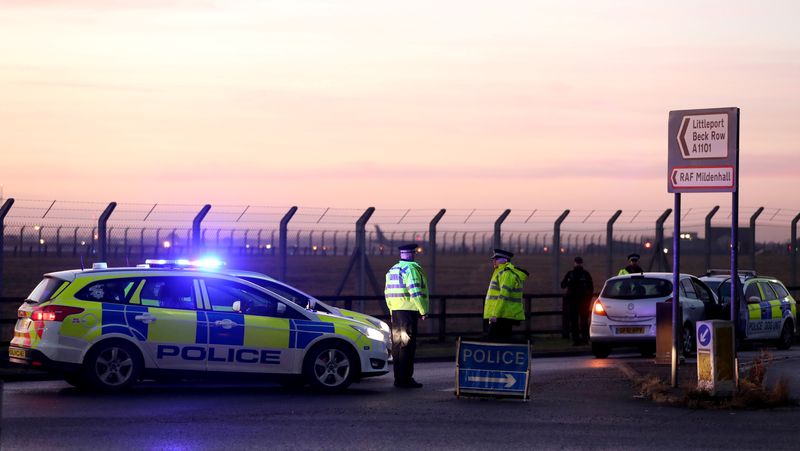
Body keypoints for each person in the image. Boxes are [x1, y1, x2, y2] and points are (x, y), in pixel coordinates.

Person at [384, 243, 429, 389]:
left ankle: (398, 378)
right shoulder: (411, 269)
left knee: (397, 345)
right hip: (408, 312)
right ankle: (406, 379)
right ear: (412, 254)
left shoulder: (392, 270)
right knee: (407, 346)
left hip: (396, 312)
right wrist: (423, 310)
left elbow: (387, 293)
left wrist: (391, 312)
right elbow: (415, 291)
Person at [484, 249, 529, 343]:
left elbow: (503, 296)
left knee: (494, 342)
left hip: (502, 315)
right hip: (503, 315)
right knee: (501, 342)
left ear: (503, 260)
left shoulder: (506, 274)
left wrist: (495, 314)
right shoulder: (501, 273)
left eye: (496, 259)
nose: (494, 261)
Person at [561, 256, 594, 345]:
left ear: (581, 263)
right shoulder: (570, 274)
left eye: (579, 263)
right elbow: (562, 285)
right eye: (577, 262)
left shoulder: (585, 274)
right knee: (574, 321)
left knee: (584, 321)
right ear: (574, 263)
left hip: (583, 301)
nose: (578, 264)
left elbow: (591, 288)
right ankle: (576, 340)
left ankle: (585, 339)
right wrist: (568, 282)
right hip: (572, 301)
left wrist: (588, 299)